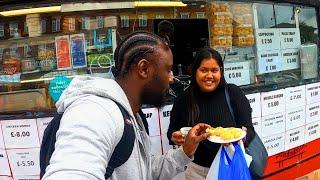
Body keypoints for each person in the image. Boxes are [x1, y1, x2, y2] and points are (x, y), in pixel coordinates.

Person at [42, 31, 210, 180]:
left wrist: (185, 152)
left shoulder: (132, 113)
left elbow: (144, 171)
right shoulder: (96, 111)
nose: (171, 79)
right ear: (143, 68)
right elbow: (72, 172)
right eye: (167, 70)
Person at [167, 47, 255, 179]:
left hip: (230, 166)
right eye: (204, 70)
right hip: (197, 172)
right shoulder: (183, 100)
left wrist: (241, 137)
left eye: (214, 70)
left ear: (221, 71)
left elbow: (249, 130)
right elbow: (171, 132)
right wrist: (175, 137)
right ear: (195, 71)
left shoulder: (233, 93)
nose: (209, 76)